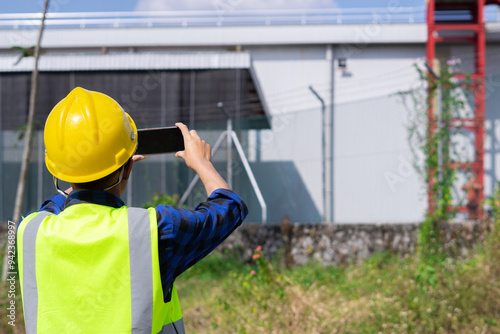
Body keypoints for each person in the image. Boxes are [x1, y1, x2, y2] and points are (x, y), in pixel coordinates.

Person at [16, 87, 248, 334]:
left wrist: (102, 168)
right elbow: (229, 208)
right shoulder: (153, 232)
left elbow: (54, 205)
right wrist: (202, 163)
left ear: (57, 171)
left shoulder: (29, 231)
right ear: (127, 168)